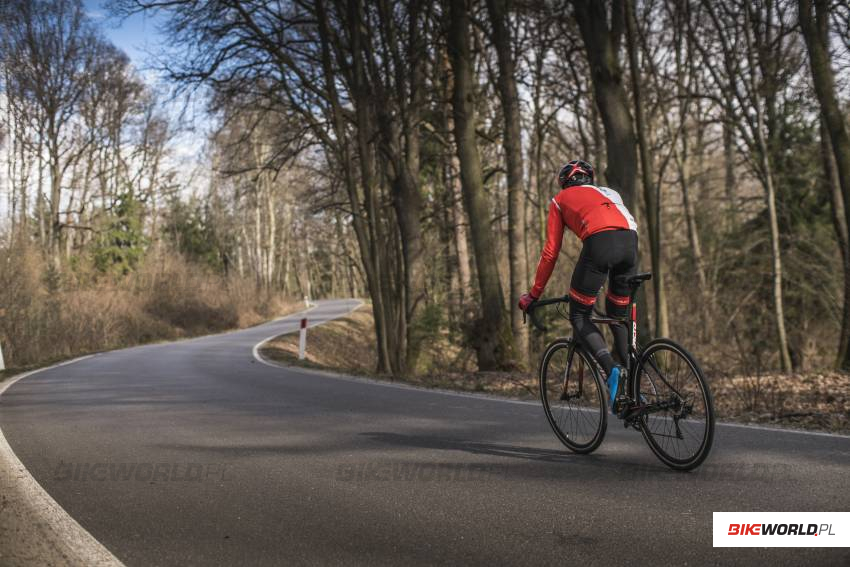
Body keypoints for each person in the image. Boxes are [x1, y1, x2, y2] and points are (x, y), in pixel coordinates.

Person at [518, 160, 638, 409]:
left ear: (564, 182)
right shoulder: (610, 192)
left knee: (580, 315)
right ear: (589, 178)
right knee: (617, 315)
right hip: (630, 244)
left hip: (600, 244)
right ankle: (634, 388)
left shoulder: (559, 200)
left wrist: (534, 294)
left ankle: (611, 371)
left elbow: (551, 252)